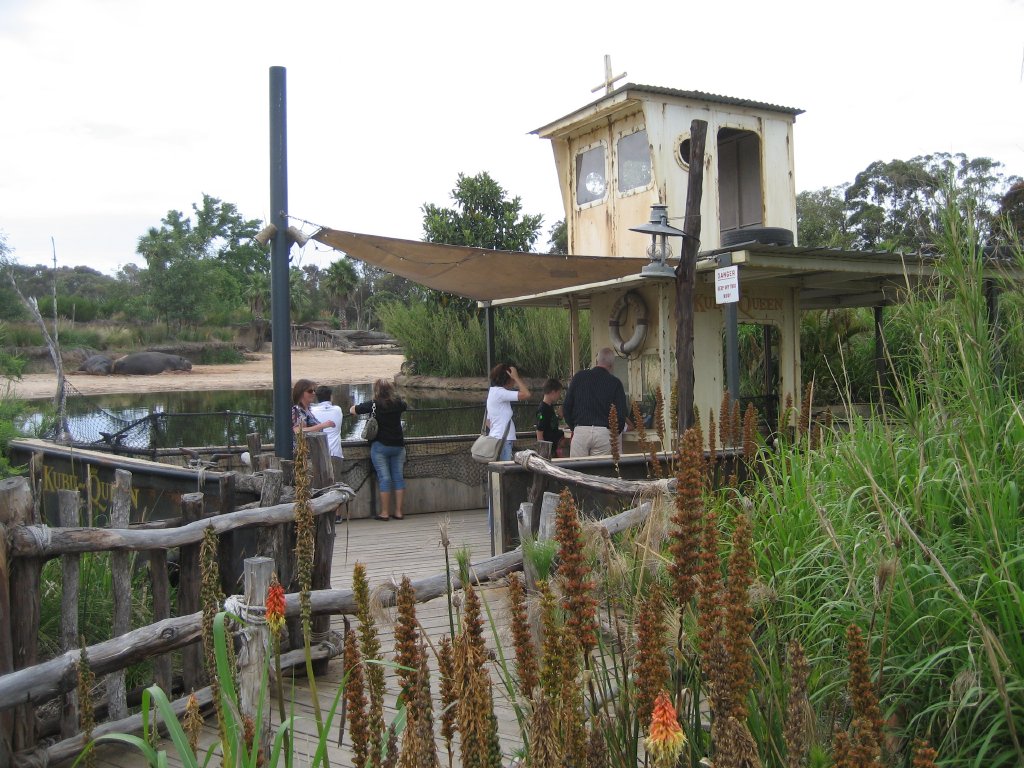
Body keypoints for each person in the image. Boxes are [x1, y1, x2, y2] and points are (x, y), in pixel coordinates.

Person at [350, 378, 408, 521]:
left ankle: (384, 512)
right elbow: (405, 405)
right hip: (398, 446)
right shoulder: (398, 404)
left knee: (385, 479)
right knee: (398, 478)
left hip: (380, 446)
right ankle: (399, 512)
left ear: (376, 391)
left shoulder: (373, 405)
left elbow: (354, 410)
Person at [562, 347, 630, 457]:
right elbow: (621, 414)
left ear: (597, 361)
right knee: (600, 472)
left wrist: (574, 427)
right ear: (611, 365)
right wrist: (614, 434)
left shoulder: (579, 377)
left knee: (577, 472)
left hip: (581, 431)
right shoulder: (615, 383)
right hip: (604, 433)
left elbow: (566, 407)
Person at [486, 362, 530, 462]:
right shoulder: (500, 393)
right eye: (512, 379)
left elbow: (488, 421)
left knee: (498, 471)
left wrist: (497, 429)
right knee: (505, 471)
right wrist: (516, 377)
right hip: (503, 441)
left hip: (497, 439)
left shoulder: (494, 392)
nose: (514, 382)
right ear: (507, 378)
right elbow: (526, 394)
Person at [310, 385, 344, 460]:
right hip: (335, 453)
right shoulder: (338, 409)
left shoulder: (312, 411)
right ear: (331, 397)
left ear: (316, 397)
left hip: (319, 454)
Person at [535, 377, 564, 457]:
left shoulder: (549, 406)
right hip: (549, 449)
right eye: (559, 393)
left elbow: (549, 423)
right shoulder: (543, 409)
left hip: (554, 446)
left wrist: (559, 417)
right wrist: (544, 453)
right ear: (553, 392)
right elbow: (539, 432)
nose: (559, 396)